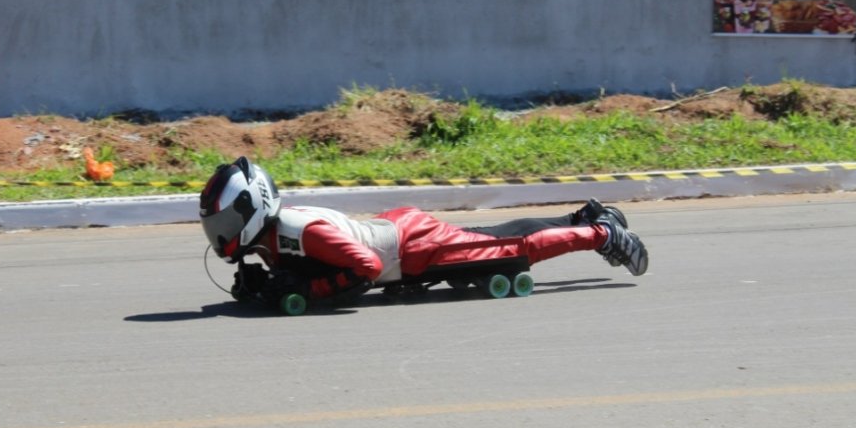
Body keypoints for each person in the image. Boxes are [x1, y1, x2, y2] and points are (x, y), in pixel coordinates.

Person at [199, 157, 649, 299]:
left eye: (223, 221)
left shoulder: (300, 230)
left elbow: (366, 267)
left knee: (515, 248)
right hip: (400, 234)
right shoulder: (271, 235)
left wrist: (309, 292)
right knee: (493, 236)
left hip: (413, 248)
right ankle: (582, 217)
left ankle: (604, 234)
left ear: (249, 208)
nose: (221, 233)